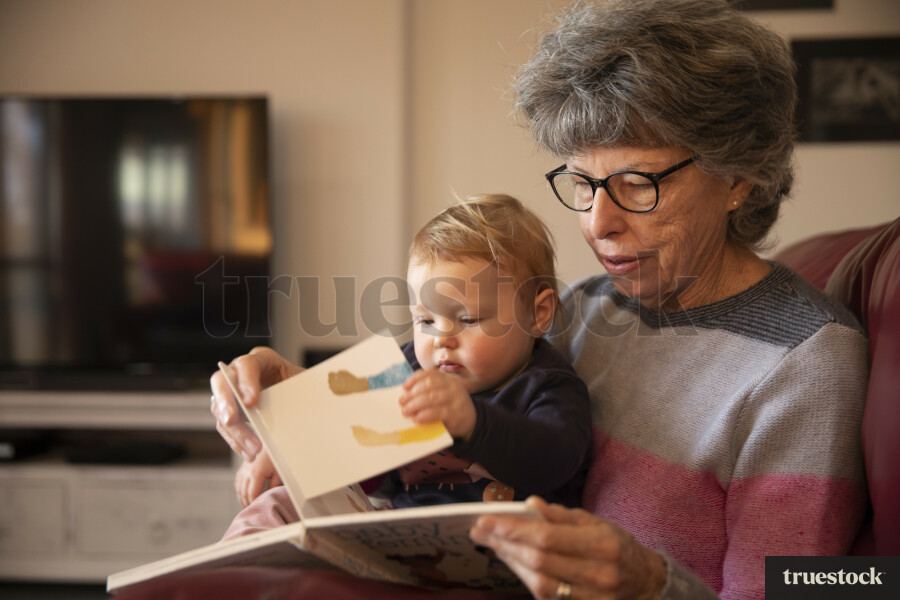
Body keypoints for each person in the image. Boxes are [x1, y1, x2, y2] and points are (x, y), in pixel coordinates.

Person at [212, 1, 869, 598]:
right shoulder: (586, 308)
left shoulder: (806, 362)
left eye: (637, 183)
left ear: (739, 178)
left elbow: (817, 587)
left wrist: (650, 583)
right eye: (582, 183)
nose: (598, 223)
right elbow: (431, 379)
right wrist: (299, 411)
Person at [216, 194, 592, 538]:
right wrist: (289, 449)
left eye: (468, 319)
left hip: (500, 551)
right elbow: (350, 434)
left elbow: (555, 461)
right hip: (399, 538)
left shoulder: (548, 386)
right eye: (425, 320)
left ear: (538, 314)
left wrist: (473, 422)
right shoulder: (410, 367)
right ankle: (225, 574)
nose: (441, 339)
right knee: (277, 505)